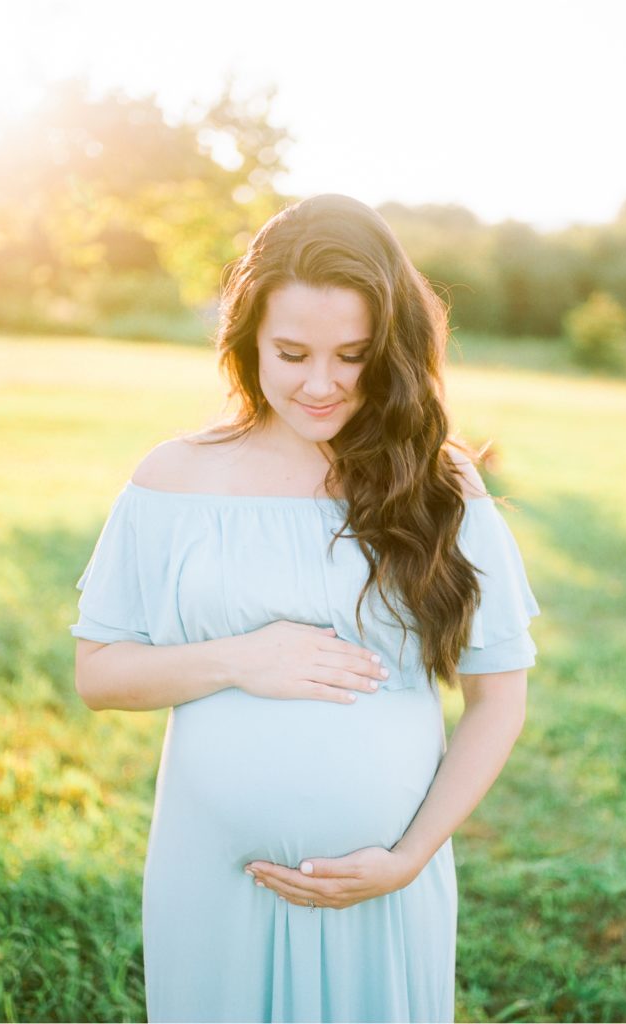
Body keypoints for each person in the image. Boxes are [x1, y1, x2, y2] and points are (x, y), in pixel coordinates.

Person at [71, 193, 541, 1024]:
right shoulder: (173, 480)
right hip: (213, 878)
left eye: (352, 355)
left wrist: (407, 858)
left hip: (384, 887)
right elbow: (100, 676)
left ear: (390, 350)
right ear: (247, 339)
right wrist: (239, 658)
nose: (319, 385)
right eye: (289, 352)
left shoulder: (439, 483)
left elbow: (498, 696)